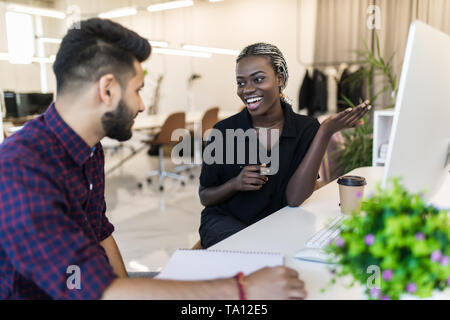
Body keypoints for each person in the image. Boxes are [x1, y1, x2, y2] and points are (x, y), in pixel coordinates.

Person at [0, 19, 306, 300]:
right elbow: (95, 290)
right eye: (138, 90)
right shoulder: (22, 168)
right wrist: (244, 289)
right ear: (107, 89)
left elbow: (101, 234)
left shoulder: (89, 150)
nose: (142, 104)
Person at [199, 43, 370, 248]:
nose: (248, 89)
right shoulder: (223, 131)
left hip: (278, 224)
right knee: (256, 252)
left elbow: (295, 198)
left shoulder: (305, 128)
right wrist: (235, 183)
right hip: (226, 223)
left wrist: (325, 132)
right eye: (241, 82)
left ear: (279, 79)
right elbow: (205, 196)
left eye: (258, 79)